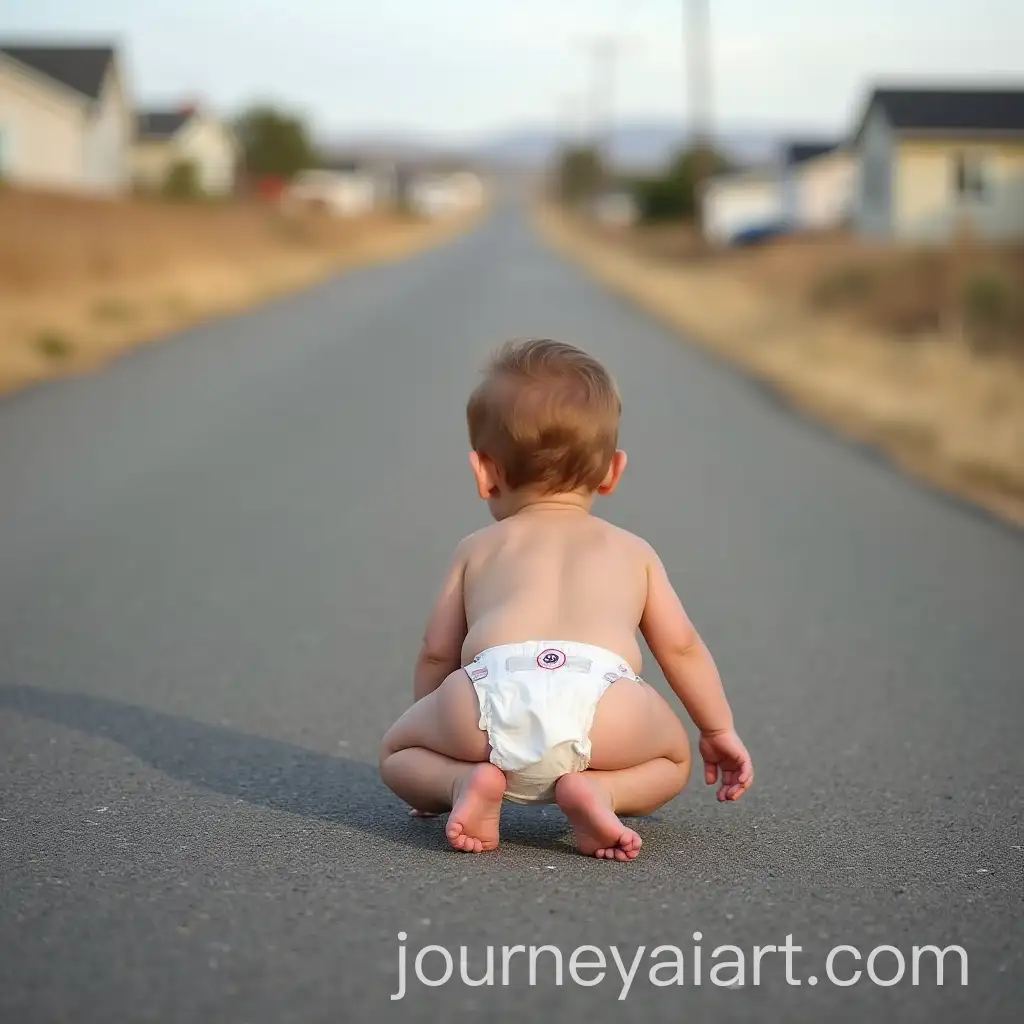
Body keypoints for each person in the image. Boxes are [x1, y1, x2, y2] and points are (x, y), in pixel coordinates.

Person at [379, 338, 753, 860]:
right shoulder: (633, 551)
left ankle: (461, 782)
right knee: (673, 761)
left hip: (490, 689)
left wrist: (440, 727)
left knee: (398, 752)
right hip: (603, 701)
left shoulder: (477, 548)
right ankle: (601, 791)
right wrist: (717, 729)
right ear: (613, 471)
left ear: (484, 471)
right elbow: (682, 647)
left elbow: (437, 653)